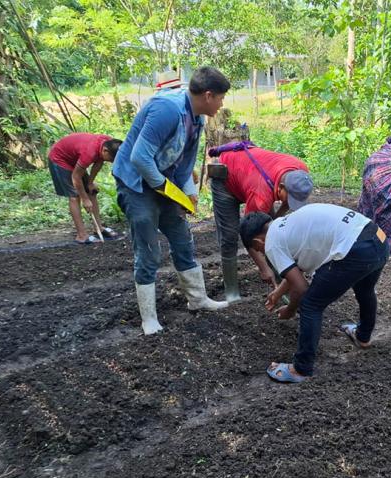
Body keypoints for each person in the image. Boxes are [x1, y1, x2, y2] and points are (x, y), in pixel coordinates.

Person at [112, 66, 231, 335]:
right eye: (222, 98)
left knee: (181, 237)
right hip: (136, 183)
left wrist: (186, 192)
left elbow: (185, 163)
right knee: (149, 249)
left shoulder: (197, 118)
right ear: (209, 95)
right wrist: (166, 190)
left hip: (163, 182)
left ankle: (198, 299)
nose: (222, 104)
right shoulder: (167, 109)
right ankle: (149, 318)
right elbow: (139, 157)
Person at [239, 204, 390, 383]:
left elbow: (301, 287)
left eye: (258, 251)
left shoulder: (271, 243)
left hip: (356, 249)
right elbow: (297, 270)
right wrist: (278, 293)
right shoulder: (286, 225)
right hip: (378, 239)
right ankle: (362, 336)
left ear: (258, 242)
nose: (262, 253)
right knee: (364, 289)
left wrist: (291, 309)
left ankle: (300, 369)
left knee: (310, 305)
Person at [206, 141, 314, 301]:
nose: (293, 203)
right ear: (281, 187)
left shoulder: (299, 172)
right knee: (229, 236)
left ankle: (281, 281)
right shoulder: (261, 196)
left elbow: (281, 212)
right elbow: (248, 233)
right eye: (291, 199)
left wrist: (275, 222)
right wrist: (263, 268)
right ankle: (232, 291)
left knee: (270, 231)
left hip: (251, 176)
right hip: (226, 178)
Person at [48, 133, 122, 244]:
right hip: (60, 159)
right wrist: (85, 199)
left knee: (91, 191)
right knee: (74, 196)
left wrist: (90, 183)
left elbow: (99, 162)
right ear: (105, 151)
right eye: (111, 159)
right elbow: (76, 177)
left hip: (75, 159)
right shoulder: (89, 152)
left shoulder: (109, 143)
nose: (112, 162)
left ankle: (99, 228)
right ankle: (81, 235)